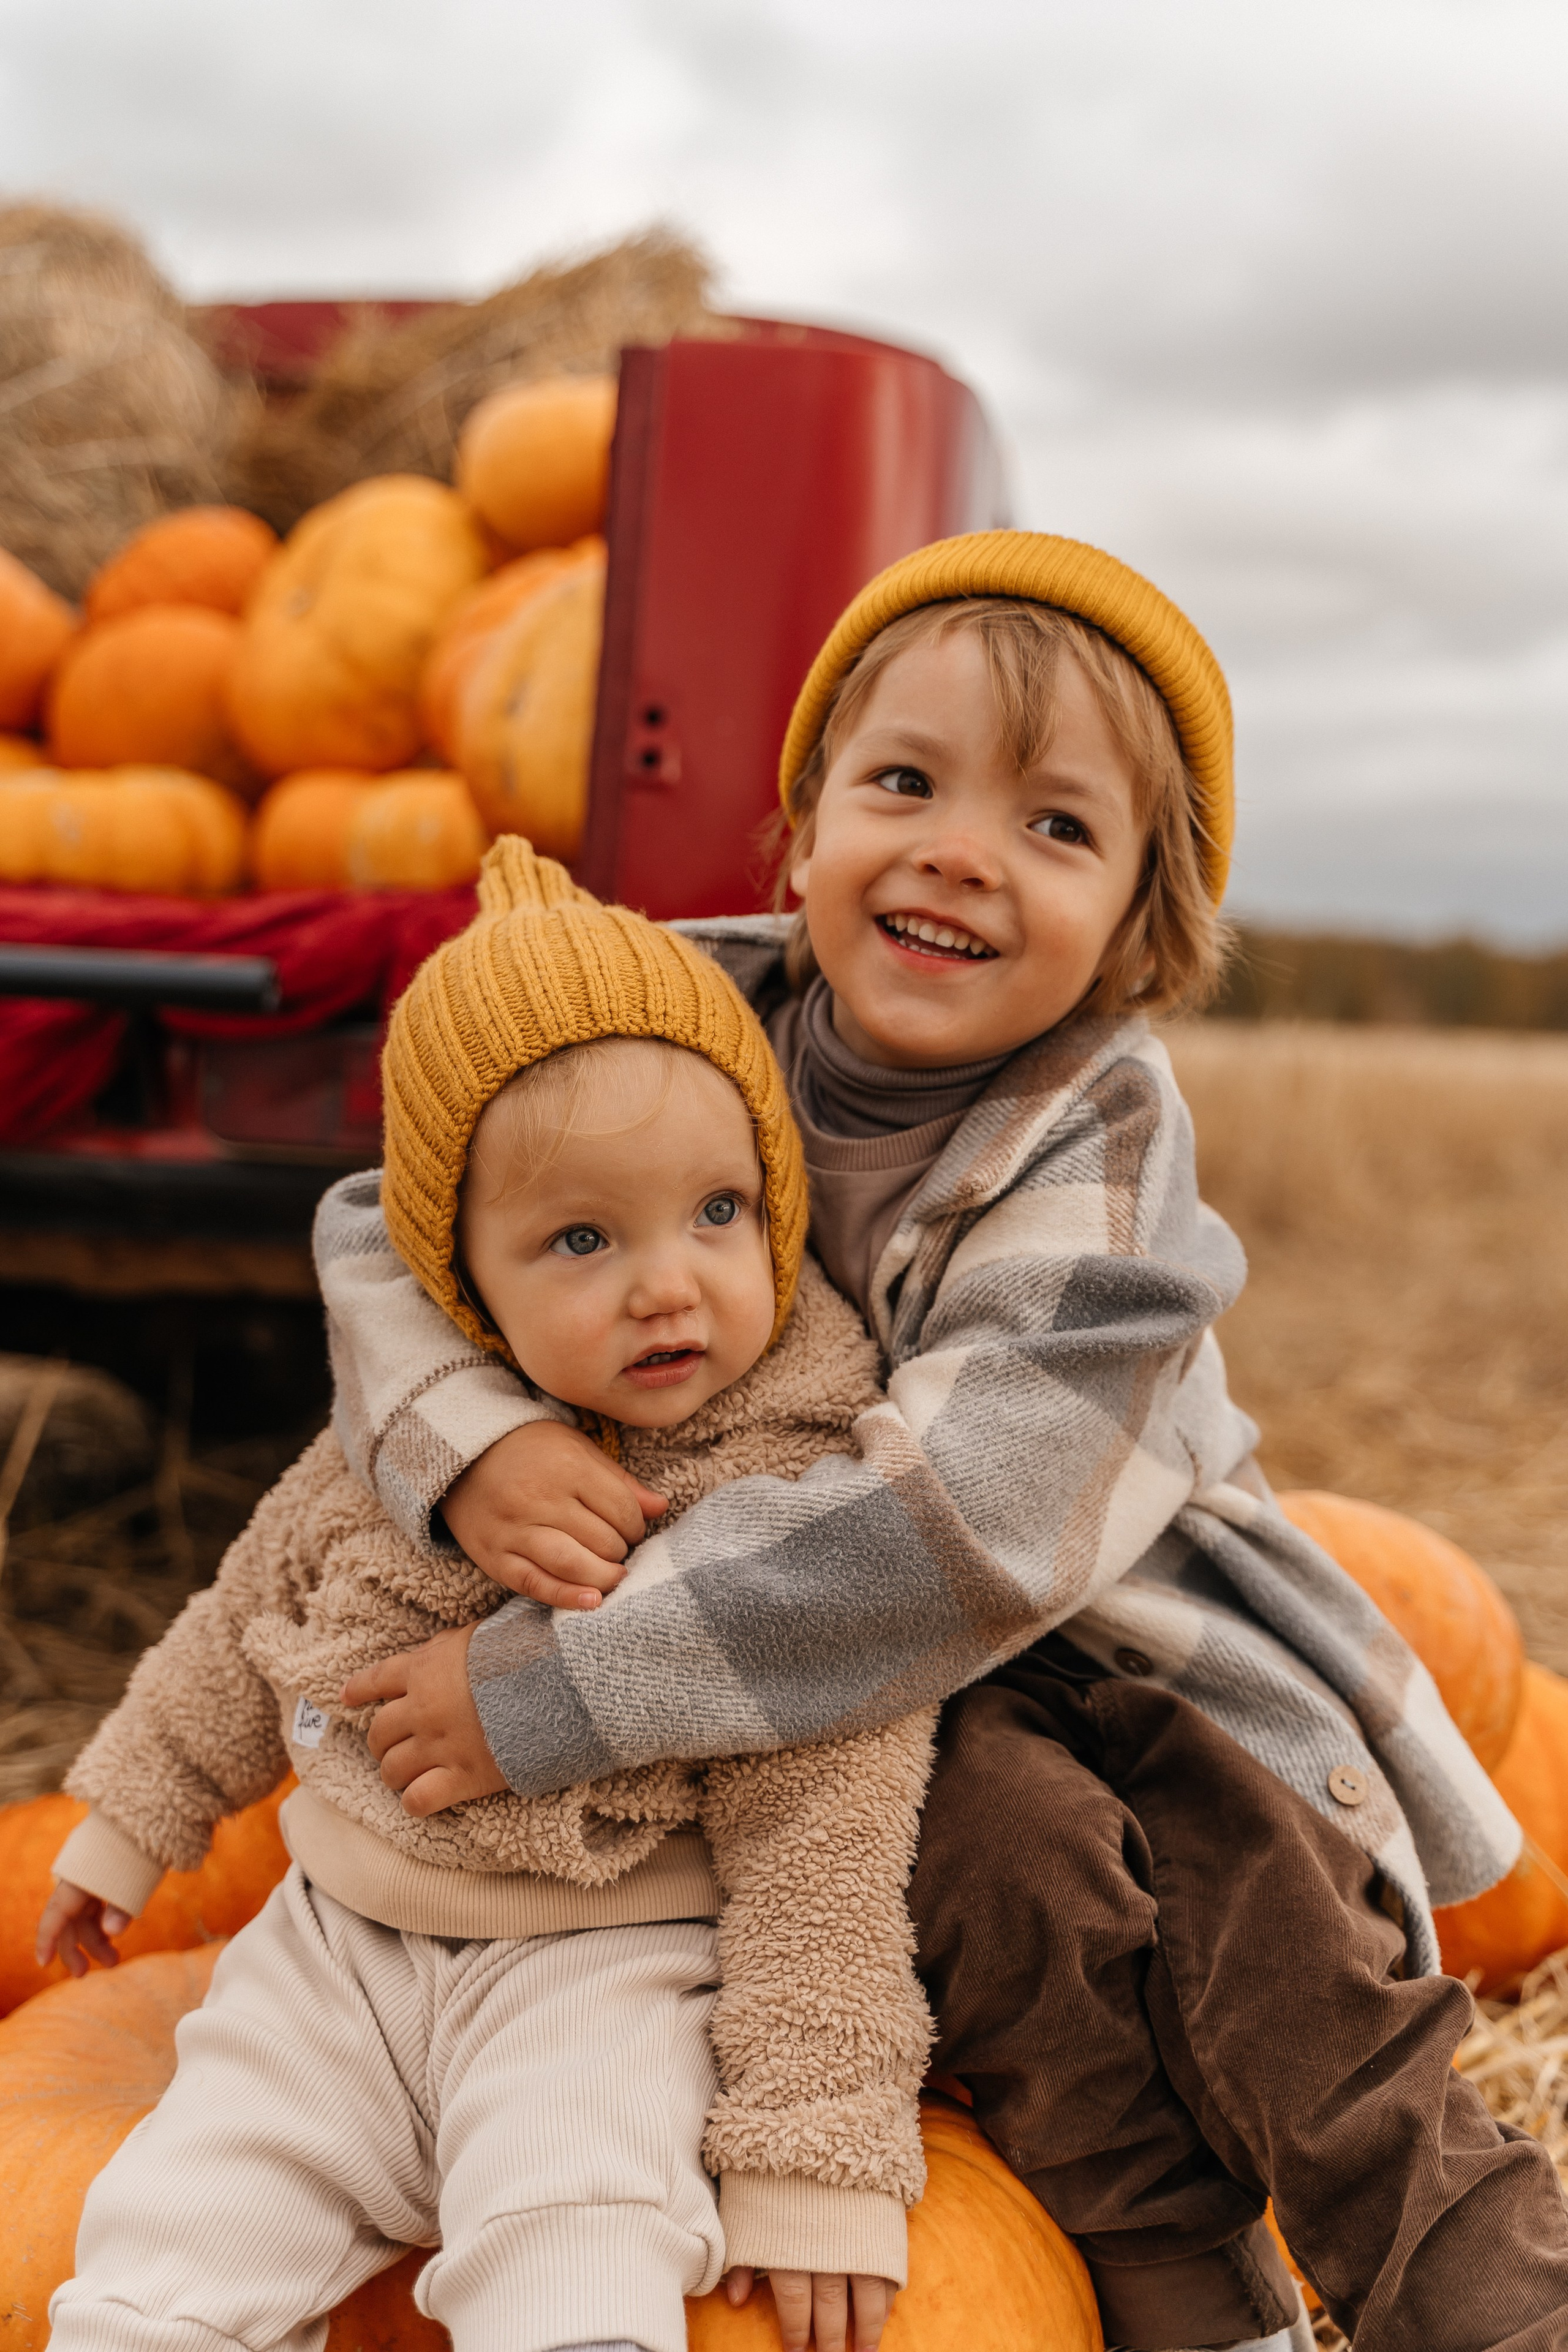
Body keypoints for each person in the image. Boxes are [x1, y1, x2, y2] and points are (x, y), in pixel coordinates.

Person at [321, 531, 1568, 2352]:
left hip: (1122, 1631)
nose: (962, 849)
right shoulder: (667, 1008)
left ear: (1145, 925)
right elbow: (382, 1214)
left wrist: (558, 1685)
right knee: (1015, 1891)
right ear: (806, 826)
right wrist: (471, 1438)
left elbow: (962, 1530)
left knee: (1286, 1959)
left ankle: (1489, 2307)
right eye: (904, 781)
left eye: (1057, 827)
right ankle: (1201, 2308)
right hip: (870, 1696)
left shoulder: (1106, 1151)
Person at [39, 840, 938, 2352]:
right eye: (582, 1239)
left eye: (717, 1212)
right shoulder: (399, 1460)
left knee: (579, 2248)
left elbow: (828, 1844)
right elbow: (249, 1613)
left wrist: (811, 2157)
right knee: (167, 2250)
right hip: (330, 1960)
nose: (668, 1284)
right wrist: (134, 1817)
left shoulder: (785, 1513)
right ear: (455, 1274)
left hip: (603, 1972)